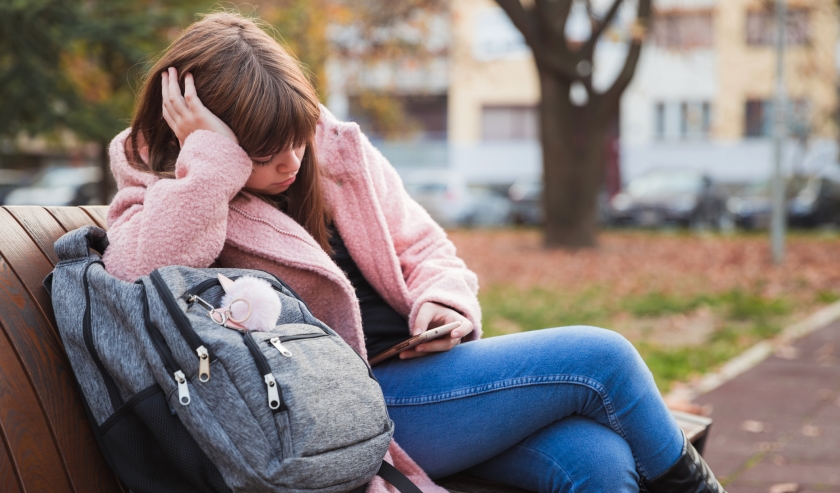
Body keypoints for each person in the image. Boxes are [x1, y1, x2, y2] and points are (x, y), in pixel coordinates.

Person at [103, 11, 726, 493]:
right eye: (262, 155)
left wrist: (442, 301)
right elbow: (135, 278)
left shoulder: (335, 149)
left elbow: (425, 245)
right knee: (603, 358)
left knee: (600, 460)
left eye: (295, 140)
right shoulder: (161, 189)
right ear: (199, 132)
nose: (291, 164)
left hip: (427, 380)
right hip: (339, 409)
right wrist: (209, 169)